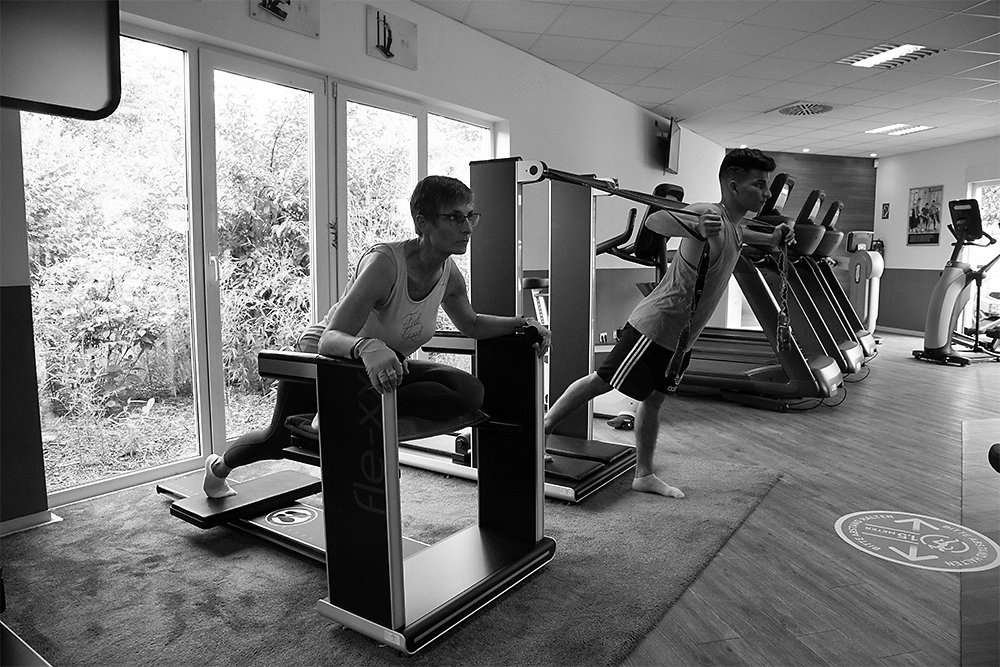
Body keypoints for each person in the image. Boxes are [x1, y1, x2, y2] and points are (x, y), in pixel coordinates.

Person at [204, 175, 550, 497]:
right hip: (327, 360)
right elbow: (330, 338)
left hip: (382, 367)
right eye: (455, 217)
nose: (467, 227)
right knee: (276, 439)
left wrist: (523, 323)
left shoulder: (448, 272)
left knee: (468, 391)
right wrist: (368, 346)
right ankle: (218, 468)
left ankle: (349, 416)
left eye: (471, 216)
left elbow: (471, 324)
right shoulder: (386, 264)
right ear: (422, 222)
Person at [543, 148, 792, 499]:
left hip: (681, 339)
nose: (766, 193)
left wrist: (772, 239)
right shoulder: (707, 212)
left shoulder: (733, 225)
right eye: (759, 185)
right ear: (734, 187)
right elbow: (655, 222)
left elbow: (741, 236)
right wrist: (695, 226)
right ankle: (541, 431)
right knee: (601, 382)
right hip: (656, 327)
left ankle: (643, 474)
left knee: (654, 401)